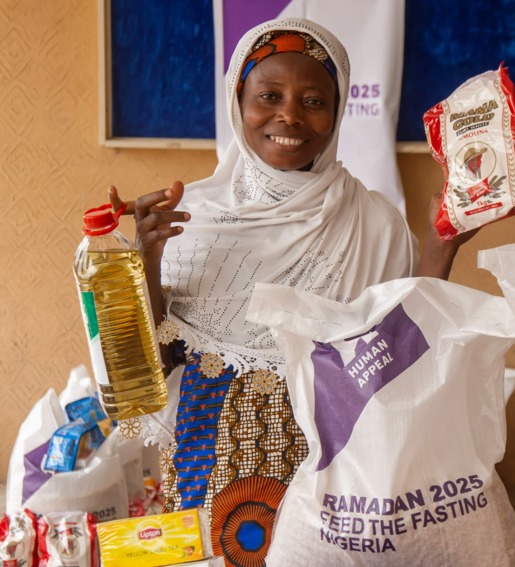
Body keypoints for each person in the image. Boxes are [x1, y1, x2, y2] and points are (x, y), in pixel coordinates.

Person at [109, 18, 475, 566]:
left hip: (335, 477)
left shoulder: (374, 223)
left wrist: (440, 247)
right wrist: (146, 263)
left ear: (339, 110)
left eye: (314, 100)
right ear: (238, 102)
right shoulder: (191, 220)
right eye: (269, 96)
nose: (290, 115)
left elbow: (400, 366)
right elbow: (153, 372)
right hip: (206, 468)